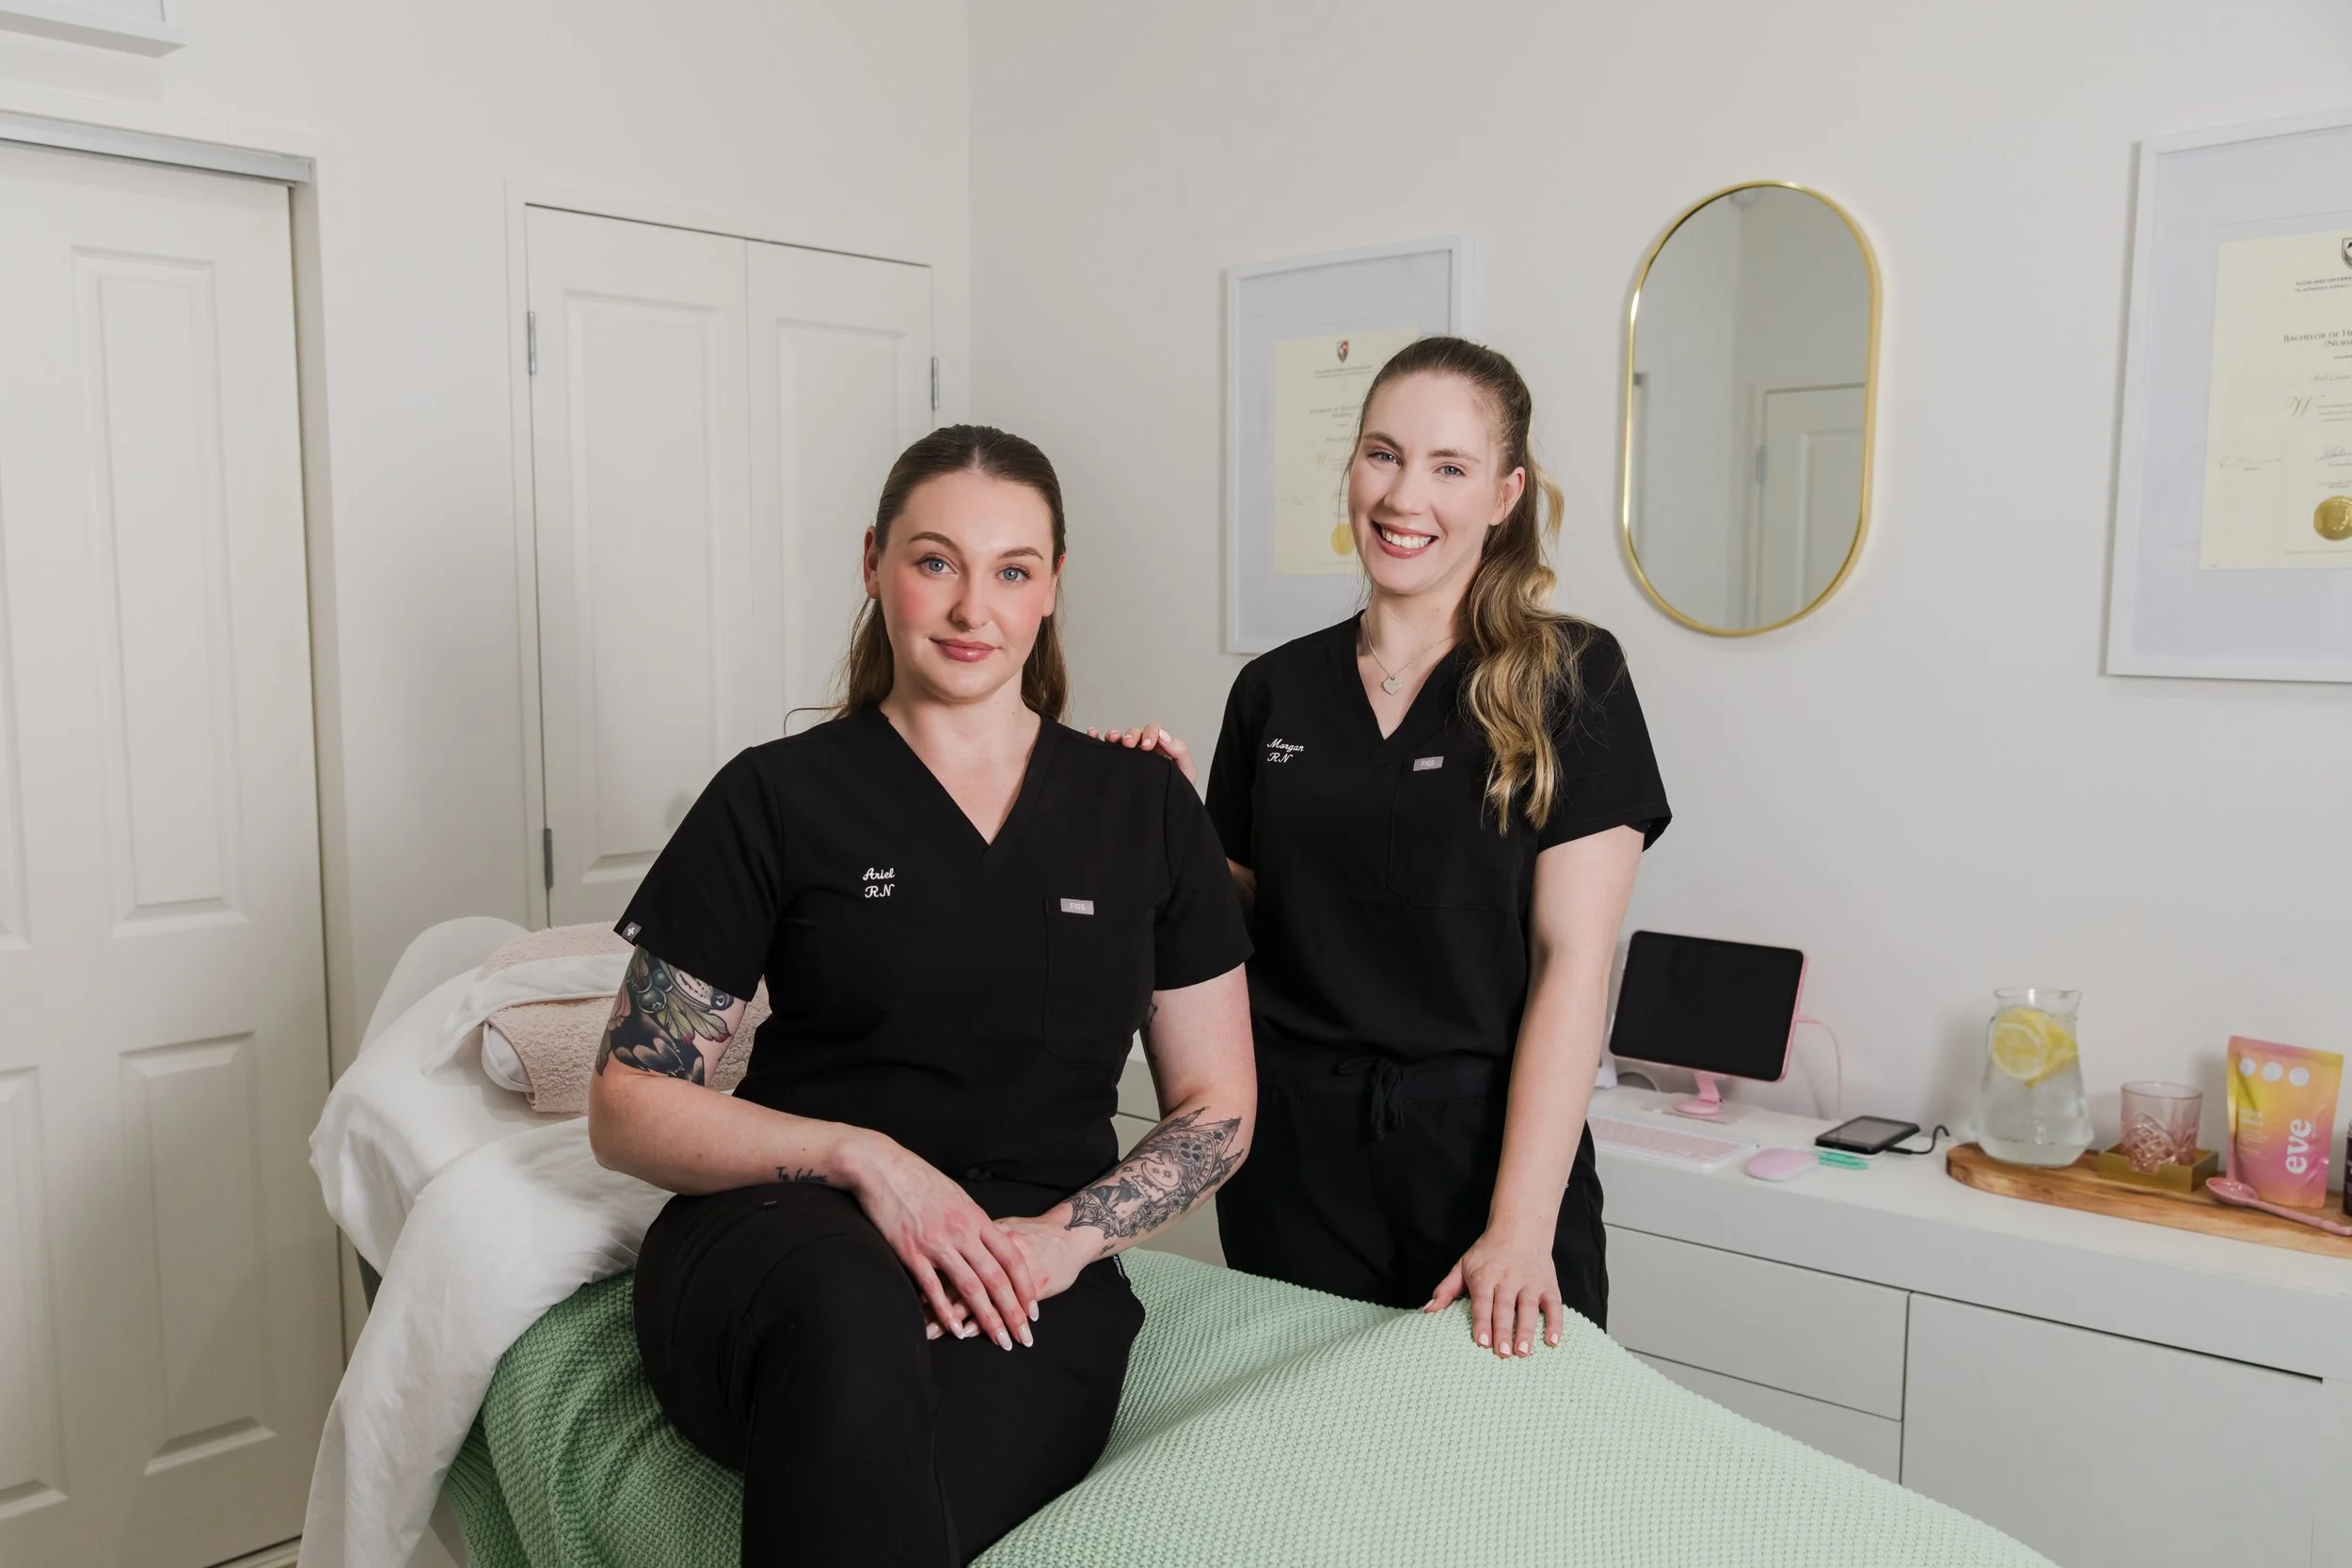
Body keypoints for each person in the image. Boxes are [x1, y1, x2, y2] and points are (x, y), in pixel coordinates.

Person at [588, 424, 1255, 1568]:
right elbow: (627, 1102)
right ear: (873, 563)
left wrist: (1061, 1242)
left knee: (918, 1492)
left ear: (1051, 588)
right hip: (781, 1227)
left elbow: (1218, 1106)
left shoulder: (1141, 807)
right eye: (934, 560)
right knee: (847, 1326)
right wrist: (867, 1159)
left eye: (1011, 570)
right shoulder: (776, 795)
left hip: (1023, 1259)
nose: (970, 607)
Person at [1102, 336, 1668, 1360]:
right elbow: (1250, 917)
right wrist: (1167, 823)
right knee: (1323, 1467)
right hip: (1295, 1155)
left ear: (1505, 491)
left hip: (1483, 1149)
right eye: (1382, 454)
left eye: (1448, 467)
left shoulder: (1572, 678)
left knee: (1507, 1472)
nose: (1405, 495)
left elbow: (1572, 965)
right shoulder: (1274, 689)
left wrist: (1519, 1225)